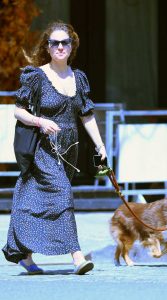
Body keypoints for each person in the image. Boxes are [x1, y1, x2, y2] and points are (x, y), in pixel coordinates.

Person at [2, 21, 107, 275]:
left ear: (72, 46)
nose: (60, 47)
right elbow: (18, 111)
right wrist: (40, 121)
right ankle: (77, 257)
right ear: (47, 47)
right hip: (43, 148)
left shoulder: (78, 78)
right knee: (62, 195)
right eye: (55, 43)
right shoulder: (36, 76)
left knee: (38, 201)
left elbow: (87, 114)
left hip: (68, 150)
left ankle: (23, 255)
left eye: (65, 42)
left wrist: (100, 145)